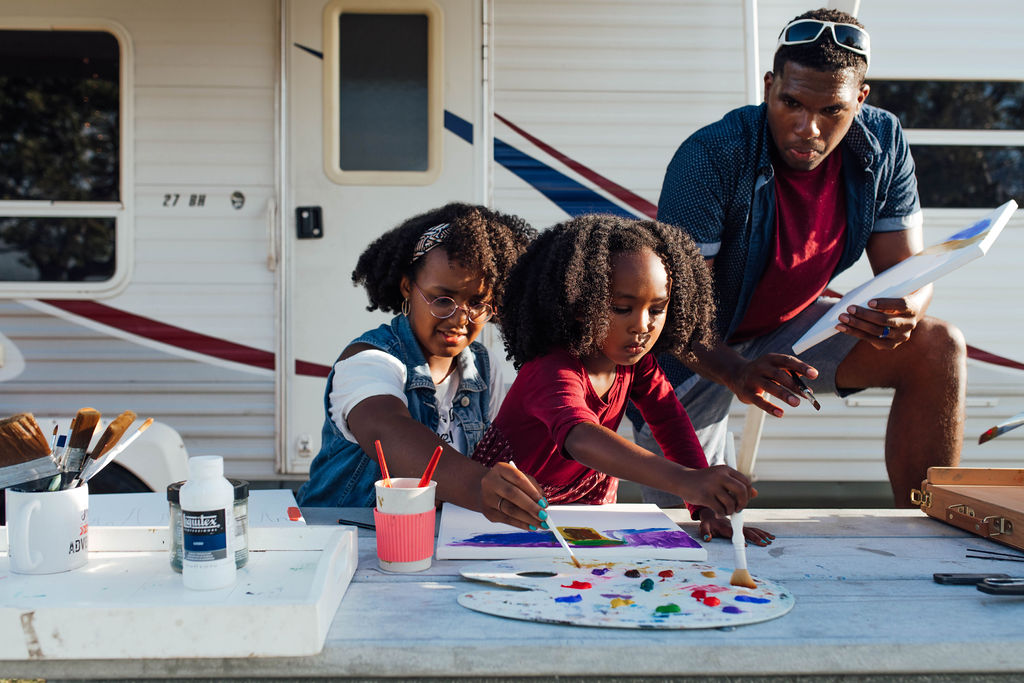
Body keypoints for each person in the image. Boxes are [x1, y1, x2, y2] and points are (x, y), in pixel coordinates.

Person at [640, 7, 966, 507]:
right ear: (769, 86)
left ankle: (928, 525)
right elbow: (677, 317)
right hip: (694, 348)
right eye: (791, 102)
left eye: (831, 110)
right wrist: (736, 372)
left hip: (787, 331)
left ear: (859, 99)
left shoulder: (883, 142)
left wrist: (907, 310)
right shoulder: (711, 154)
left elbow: (908, 273)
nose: (807, 128)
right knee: (693, 524)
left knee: (936, 345)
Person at [472, 214, 773, 544]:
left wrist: (703, 504)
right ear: (580, 307)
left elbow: (670, 422)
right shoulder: (550, 368)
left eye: (656, 309)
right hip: (505, 513)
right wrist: (687, 480)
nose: (642, 325)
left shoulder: (636, 363)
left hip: (584, 510)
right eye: (622, 308)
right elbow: (581, 438)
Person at [297, 203, 547, 530]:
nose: (460, 318)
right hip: (339, 542)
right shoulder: (368, 359)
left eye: (477, 303)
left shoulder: (484, 367)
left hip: (427, 546)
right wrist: (479, 486)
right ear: (407, 288)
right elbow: (387, 430)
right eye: (442, 299)